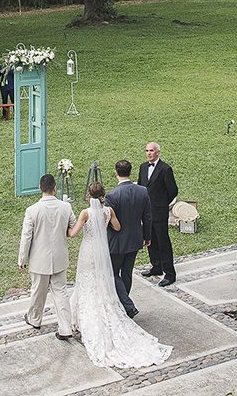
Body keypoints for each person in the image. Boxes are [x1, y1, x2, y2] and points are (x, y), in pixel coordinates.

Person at [68, 181, 172, 368]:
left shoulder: (85, 213)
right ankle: (116, 307)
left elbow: (73, 233)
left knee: (86, 283)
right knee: (102, 280)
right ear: (102, 195)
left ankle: (81, 318)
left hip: (88, 252)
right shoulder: (108, 211)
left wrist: (66, 229)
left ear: (88, 195)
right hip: (102, 250)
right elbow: (116, 227)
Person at [18, 174, 76, 340]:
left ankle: (35, 319)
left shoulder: (32, 210)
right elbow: (73, 227)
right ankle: (65, 327)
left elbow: (26, 236)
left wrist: (22, 259)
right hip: (59, 257)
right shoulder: (65, 207)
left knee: (38, 291)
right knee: (61, 293)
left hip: (39, 259)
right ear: (54, 187)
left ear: (40, 188)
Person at [104, 160, 152, 317]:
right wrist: (147, 236)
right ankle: (124, 305)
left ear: (116, 172)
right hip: (135, 239)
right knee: (126, 273)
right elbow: (148, 217)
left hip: (117, 242)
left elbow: (109, 222)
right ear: (130, 172)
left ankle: (127, 305)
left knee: (112, 273)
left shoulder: (112, 195)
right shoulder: (142, 191)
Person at [138, 141, 178, 286]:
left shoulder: (165, 169)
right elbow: (141, 186)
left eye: (151, 151)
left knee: (163, 242)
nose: (148, 153)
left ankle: (169, 273)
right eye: (147, 150)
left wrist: (162, 203)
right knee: (150, 239)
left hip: (160, 211)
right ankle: (156, 266)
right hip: (146, 211)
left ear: (158, 152)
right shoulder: (143, 167)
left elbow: (173, 190)